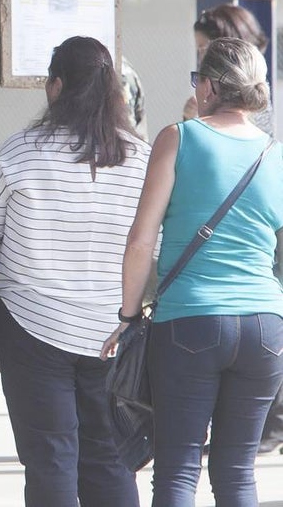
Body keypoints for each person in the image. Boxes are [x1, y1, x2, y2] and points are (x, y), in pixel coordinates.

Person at [0, 37, 149, 507]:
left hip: (32, 326)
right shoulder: (141, 159)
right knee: (109, 455)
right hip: (112, 328)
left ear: (57, 87)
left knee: (50, 455)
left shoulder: (22, 152)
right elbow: (153, 243)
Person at [102, 37, 283, 506]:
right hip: (266, 328)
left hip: (191, 322)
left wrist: (127, 316)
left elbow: (142, 240)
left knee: (179, 469)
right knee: (238, 474)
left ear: (208, 87)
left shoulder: (179, 138)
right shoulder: (275, 154)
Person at [183, 3, 283, 453]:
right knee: (236, 469)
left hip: (199, 310)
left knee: (179, 463)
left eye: (204, 53)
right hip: (262, 310)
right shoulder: (267, 140)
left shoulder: (189, 135)